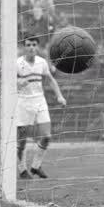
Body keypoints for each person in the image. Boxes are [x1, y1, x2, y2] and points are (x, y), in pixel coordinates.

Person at [16, 35, 66, 179]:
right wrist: (17, 82)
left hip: (39, 101)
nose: (31, 47)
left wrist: (59, 96)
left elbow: (50, 79)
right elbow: (7, 82)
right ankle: (22, 170)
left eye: (33, 45)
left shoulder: (42, 62)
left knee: (46, 136)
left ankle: (36, 166)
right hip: (23, 103)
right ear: (23, 47)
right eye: (28, 45)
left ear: (37, 47)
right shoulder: (17, 63)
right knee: (22, 140)